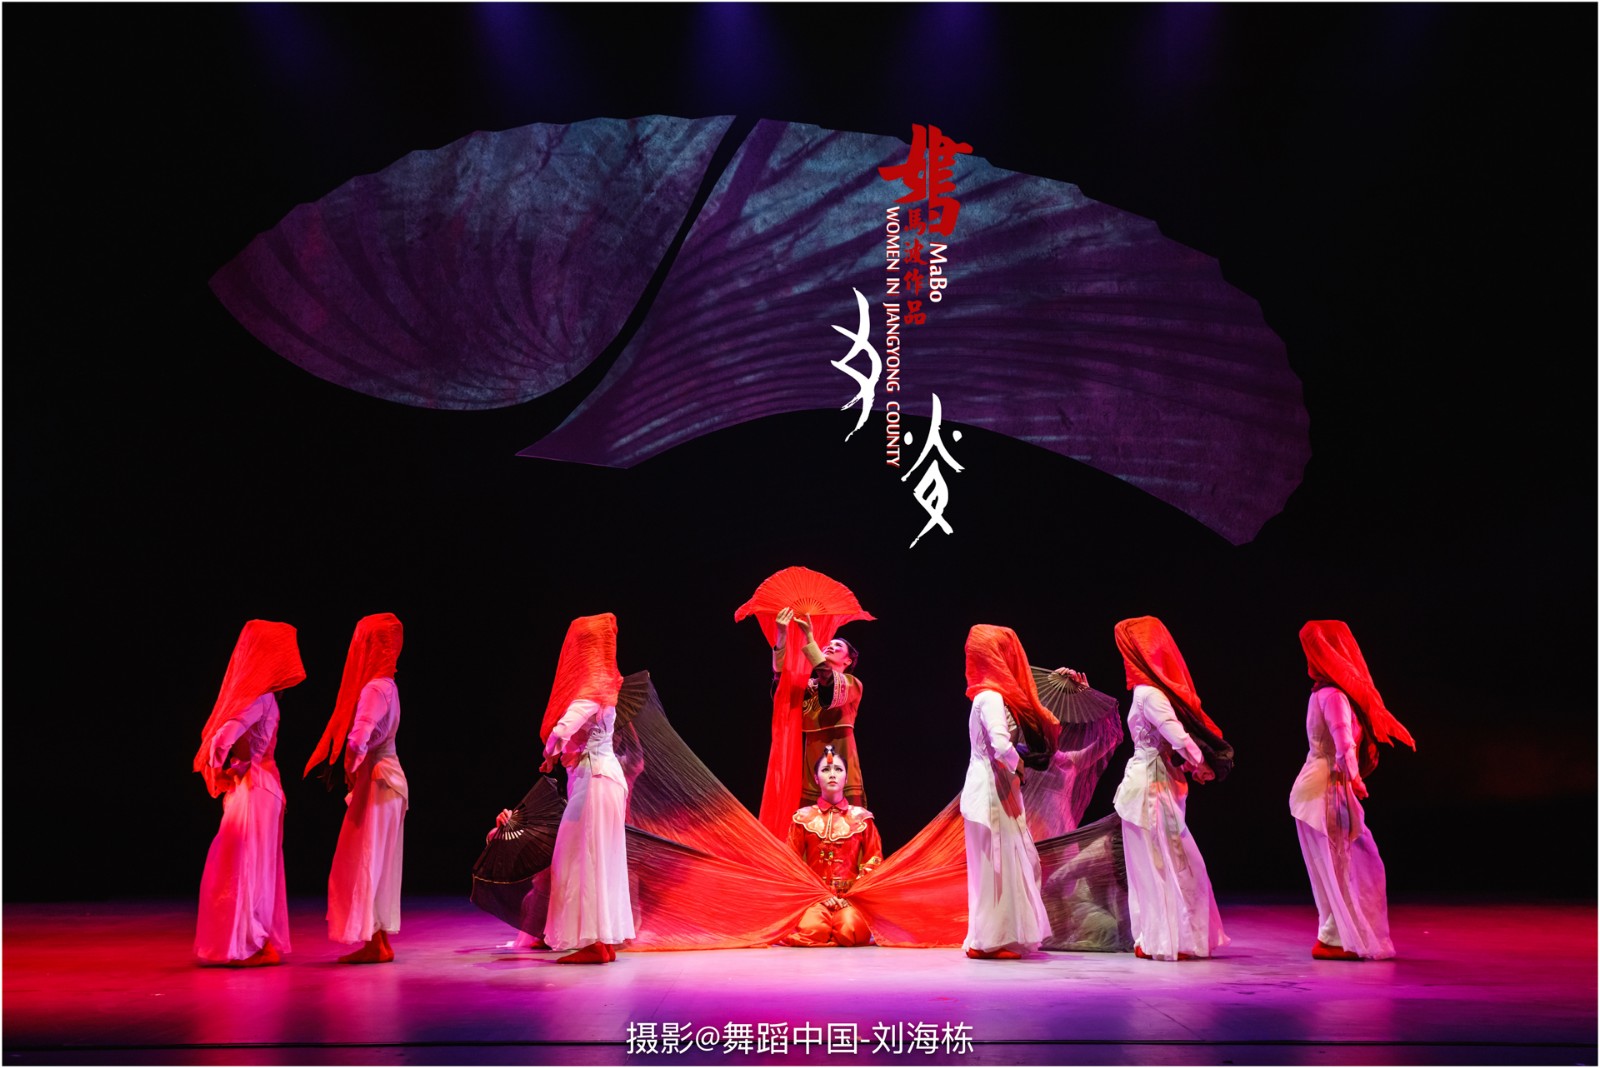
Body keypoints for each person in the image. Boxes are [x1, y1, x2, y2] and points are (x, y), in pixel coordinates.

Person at [1292, 620, 1416, 961]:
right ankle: (1337, 937)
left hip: (1319, 786)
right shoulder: (1332, 696)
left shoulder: (1323, 693)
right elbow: (1343, 740)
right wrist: (1356, 778)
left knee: (1338, 864)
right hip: (1327, 788)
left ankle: (1333, 934)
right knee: (1347, 862)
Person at [1111, 615, 1229, 961]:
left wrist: (1194, 763)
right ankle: (1170, 938)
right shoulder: (1149, 693)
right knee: (1169, 863)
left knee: (1157, 864)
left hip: (1152, 784)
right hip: (1152, 788)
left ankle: (1155, 937)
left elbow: (1173, 736)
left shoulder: (1146, 693)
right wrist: (1200, 763)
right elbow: (1177, 736)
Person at [193, 619, 306, 966]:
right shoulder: (264, 699)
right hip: (263, 785)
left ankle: (252, 943)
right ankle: (257, 941)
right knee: (254, 864)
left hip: (256, 788)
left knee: (243, 865)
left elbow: (222, 739)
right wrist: (230, 768)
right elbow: (232, 739)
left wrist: (221, 768)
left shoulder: (257, 698)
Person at [305, 612, 407, 964]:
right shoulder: (389, 686)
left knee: (364, 858)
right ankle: (379, 941)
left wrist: (351, 768)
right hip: (388, 779)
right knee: (377, 859)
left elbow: (359, 737)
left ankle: (374, 941)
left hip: (378, 780)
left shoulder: (375, 688)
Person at [539, 612, 634, 964]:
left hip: (594, 781)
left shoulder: (590, 689)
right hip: (607, 778)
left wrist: (551, 751)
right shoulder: (606, 687)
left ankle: (595, 944)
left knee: (580, 858)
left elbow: (562, 730)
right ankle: (603, 941)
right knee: (602, 858)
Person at [959, 624, 1058, 959]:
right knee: (996, 866)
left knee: (1002, 864)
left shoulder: (990, 695)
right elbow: (1001, 745)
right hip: (991, 789)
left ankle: (991, 938)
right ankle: (987, 941)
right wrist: (1019, 765)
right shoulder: (990, 696)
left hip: (996, 787)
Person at [780, 745, 884, 947]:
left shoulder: (862, 818)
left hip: (851, 899)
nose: (832, 774)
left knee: (851, 930)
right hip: (814, 898)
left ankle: (836, 926)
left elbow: (875, 860)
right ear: (816, 778)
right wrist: (818, 893)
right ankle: (823, 927)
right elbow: (791, 863)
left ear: (846, 777)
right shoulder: (803, 818)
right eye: (826, 770)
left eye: (838, 769)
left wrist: (853, 895)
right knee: (813, 930)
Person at [770, 606, 866, 808]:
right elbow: (781, 686)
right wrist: (782, 636)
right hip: (811, 765)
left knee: (847, 821)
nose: (830, 646)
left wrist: (810, 638)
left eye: (838, 645)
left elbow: (828, 684)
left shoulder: (852, 684)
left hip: (842, 759)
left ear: (848, 660)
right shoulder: (809, 686)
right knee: (811, 820)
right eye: (828, 644)